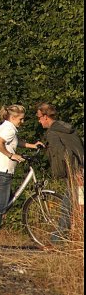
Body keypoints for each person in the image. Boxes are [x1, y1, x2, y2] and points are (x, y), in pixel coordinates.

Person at [0, 104, 44, 248]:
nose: (23, 122)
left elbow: (14, 142)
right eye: (21, 119)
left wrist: (32, 145)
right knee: (1, 206)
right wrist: (11, 155)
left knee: (6, 203)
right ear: (13, 117)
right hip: (1, 172)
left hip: (1, 171)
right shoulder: (8, 129)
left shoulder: (7, 128)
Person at [35, 102, 84, 242]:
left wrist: (63, 173)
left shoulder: (53, 133)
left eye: (39, 117)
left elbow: (61, 155)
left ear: (45, 116)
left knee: (67, 206)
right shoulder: (66, 128)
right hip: (80, 170)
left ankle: (57, 241)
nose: (39, 121)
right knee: (78, 205)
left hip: (76, 173)